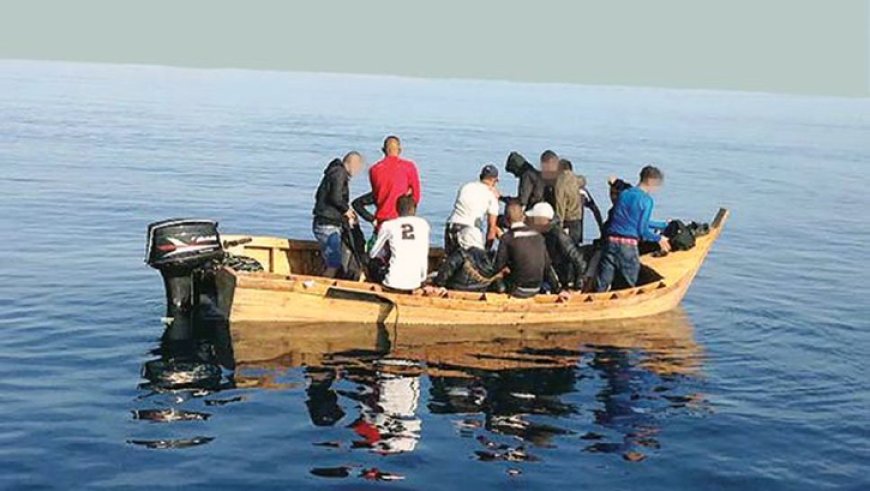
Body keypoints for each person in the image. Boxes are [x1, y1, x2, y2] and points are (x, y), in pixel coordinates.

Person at [596, 166, 671, 292]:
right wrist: (659, 238)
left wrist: (663, 225)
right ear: (651, 181)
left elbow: (631, 221)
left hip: (610, 242)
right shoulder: (646, 200)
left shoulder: (624, 194)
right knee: (629, 286)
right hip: (628, 246)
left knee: (603, 283)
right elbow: (642, 230)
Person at [494, 200, 566, 299]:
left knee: (497, 277)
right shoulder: (538, 235)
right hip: (537, 288)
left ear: (507, 219)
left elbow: (498, 266)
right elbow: (547, 267)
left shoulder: (507, 238)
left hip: (518, 289)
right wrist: (559, 290)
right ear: (523, 217)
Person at [312, 151, 365, 278]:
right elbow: (335, 198)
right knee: (334, 263)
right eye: (358, 167)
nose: (358, 172)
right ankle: (322, 289)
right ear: (352, 163)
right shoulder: (339, 173)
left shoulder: (335, 172)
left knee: (334, 261)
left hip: (330, 222)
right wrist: (346, 210)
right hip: (327, 224)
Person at [368, 195, 431, 292]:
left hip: (392, 282)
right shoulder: (423, 224)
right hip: (416, 282)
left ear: (396, 209)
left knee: (372, 263)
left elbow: (373, 254)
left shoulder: (389, 225)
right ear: (415, 209)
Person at [526, 202, 588, 290]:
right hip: (552, 278)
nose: (531, 222)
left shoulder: (558, 235)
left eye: (533, 218)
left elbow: (578, 260)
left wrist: (578, 283)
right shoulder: (542, 234)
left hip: (564, 279)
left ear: (542, 220)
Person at [425, 227, 504, 295]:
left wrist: (438, 284)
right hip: (480, 289)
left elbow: (444, 273)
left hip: (457, 287)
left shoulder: (460, 254)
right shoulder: (490, 257)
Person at [444, 164, 501, 253]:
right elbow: (491, 228)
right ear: (493, 180)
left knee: (451, 262)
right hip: (469, 231)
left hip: (451, 226)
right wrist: (486, 251)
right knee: (476, 264)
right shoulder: (491, 196)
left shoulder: (465, 187)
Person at [369, 135, 421, 227]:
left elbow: (376, 196)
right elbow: (416, 196)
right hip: (401, 220)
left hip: (382, 220)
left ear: (383, 150)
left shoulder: (374, 169)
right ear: (400, 150)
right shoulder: (409, 167)